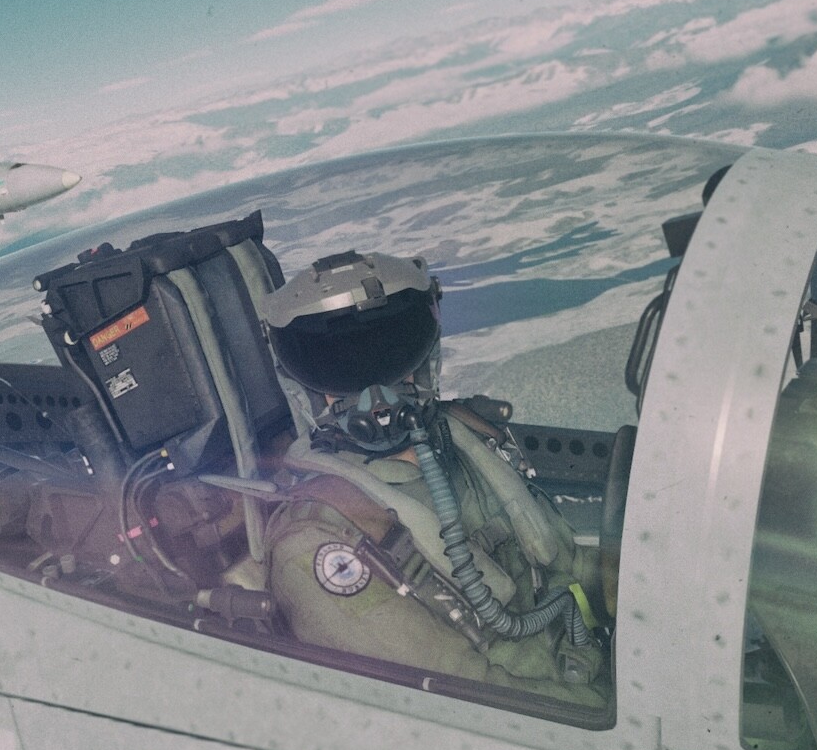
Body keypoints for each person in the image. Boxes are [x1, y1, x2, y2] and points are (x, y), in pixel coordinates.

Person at [255, 250, 606, 705]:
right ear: (304, 389)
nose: (376, 396)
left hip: (577, 660)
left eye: (391, 354)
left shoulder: (461, 443)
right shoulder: (317, 542)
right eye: (340, 371)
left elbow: (564, 563)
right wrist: (601, 701)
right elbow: (466, 700)